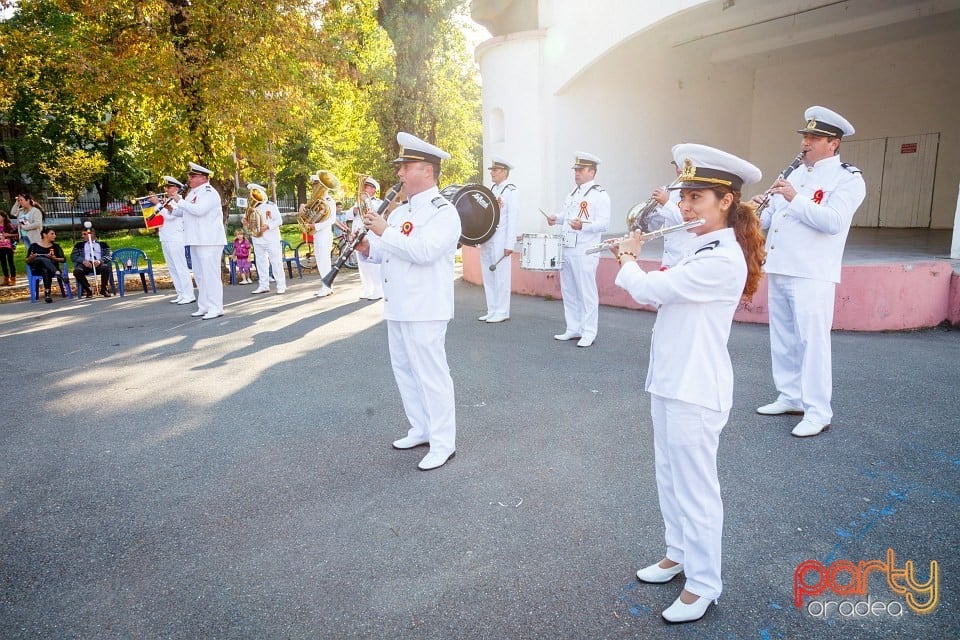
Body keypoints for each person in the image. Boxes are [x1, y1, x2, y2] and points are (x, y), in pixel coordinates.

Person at [614, 144, 764, 624]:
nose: (684, 206)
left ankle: (703, 584)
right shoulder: (699, 246)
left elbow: (652, 290)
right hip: (670, 379)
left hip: (696, 388)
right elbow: (668, 294)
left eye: (696, 197)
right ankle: (678, 553)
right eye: (683, 197)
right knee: (669, 476)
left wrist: (627, 258)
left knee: (697, 488)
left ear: (726, 201)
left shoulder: (723, 257)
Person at [754, 106, 866, 438]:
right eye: (805, 136)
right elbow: (771, 218)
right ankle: (790, 396)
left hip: (812, 272)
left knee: (812, 342)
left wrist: (794, 198)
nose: (805, 143)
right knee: (783, 338)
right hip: (780, 266)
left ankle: (818, 411)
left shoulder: (848, 178)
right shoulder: (795, 174)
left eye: (814, 137)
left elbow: (832, 222)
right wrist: (756, 210)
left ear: (833, 143)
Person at [356, 132, 461, 471]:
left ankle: (444, 443)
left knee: (431, 374)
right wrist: (366, 248)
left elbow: (425, 251)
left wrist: (385, 231)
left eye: (405, 167)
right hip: (399, 305)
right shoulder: (402, 212)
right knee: (404, 371)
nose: (399, 174)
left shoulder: (443, 212)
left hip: (426, 306)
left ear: (427, 170)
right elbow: (387, 253)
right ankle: (421, 428)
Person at [546, 152, 611, 347]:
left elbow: (604, 224)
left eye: (581, 170)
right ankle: (573, 328)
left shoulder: (600, 195)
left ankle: (589, 331)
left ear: (592, 172)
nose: (577, 173)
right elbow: (567, 215)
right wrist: (555, 218)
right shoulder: (572, 193)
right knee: (570, 290)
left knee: (586, 291)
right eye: (575, 170)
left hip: (585, 249)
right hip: (567, 247)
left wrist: (583, 226)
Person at [164, 162, 226, 319]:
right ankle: (204, 306)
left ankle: (215, 307)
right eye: (189, 176)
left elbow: (199, 211)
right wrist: (171, 208)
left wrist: (178, 199)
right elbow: (184, 212)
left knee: (210, 275)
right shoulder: (192, 193)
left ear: (203, 178)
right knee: (199, 275)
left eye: (192, 176)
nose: (189, 179)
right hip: (195, 238)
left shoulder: (208, 192)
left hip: (209, 239)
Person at [478, 156, 519, 323]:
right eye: (491, 170)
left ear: (504, 172)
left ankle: (502, 311)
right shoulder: (492, 190)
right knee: (488, 275)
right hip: (488, 238)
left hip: (502, 239)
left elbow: (513, 218)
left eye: (495, 170)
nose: (492, 173)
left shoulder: (511, 191)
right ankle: (492, 309)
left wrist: (510, 244)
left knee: (501, 277)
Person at [150, 176, 196, 305]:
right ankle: (181, 293)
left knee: (181, 268)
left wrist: (158, 204)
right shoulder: (167, 200)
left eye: (169, 187)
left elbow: (171, 217)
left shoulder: (179, 201)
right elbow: (158, 216)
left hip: (176, 238)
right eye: (166, 187)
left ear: (176, 188)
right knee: (173, 268)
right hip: (165, 237)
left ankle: (189, 294)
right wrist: (159, 204)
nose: (166, 189)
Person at [644, 159, 695, 268]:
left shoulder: (696, 193)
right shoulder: (672, 190)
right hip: (669, 258)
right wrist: (648, 216)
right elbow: (660, 224)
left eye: (681, 166)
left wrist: (666, 203)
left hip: (685, 257)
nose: (678, 170)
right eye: (676, 166)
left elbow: (688, 222)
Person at [247, 183, 286, 295]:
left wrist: (268, 226)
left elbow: (279, 221)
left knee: (276, 262)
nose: (253, 197)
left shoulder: (270, 205)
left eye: (255, 193)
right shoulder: (251, 208)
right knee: (260, 263)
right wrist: (246, 222)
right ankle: (263, 285)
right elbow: (250, 223)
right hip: (257, 239)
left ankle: (281, 285)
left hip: (271, 239)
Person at [352, 176, 383, 300]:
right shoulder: (359, 202)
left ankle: (378, 289)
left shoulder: (378, 202)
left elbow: (375, 213)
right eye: (364, 187)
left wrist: (366, 201)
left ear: (374, 190)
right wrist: (355, 209)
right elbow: (350, 214)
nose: (365, 189)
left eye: (368, 187)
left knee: (373, 264)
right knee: (362, 264)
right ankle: (367, 288)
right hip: (359, 235)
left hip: (372, 236)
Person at [308, 171, 338, 298]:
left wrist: (316, 226)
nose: (314, 188)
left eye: (316, 185)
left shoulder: (328, 200)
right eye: (314, 185)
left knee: (324, 261)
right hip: (317, 234)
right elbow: (311, 215)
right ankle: (325, 285)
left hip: (324, 234)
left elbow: (331, 220)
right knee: (320, 261)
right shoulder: (316, 200)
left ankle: (327, 286)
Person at [26, 227, 67, 303]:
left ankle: (47, 294)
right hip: (37, 268)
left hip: (49, 270)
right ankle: (58, 274)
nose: (54, 235)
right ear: (44, 235)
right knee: (41, 259)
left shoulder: (56, 247)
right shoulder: (34, 246)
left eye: (55, 234)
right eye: (52, 234)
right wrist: (31, 257)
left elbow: (63, 259)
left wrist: (54, 258)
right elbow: (27, 261)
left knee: (45, 270)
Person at [71, 225, 112, 298]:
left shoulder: (103, 244)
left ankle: (104, 289)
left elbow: (109, 255)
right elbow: (73, 256)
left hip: (98, 264)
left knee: (106, 268)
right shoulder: (79, 245)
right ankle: (88, 289)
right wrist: (83, 261)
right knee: (77, 271)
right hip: (86, 264)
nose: (82, 236)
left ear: (91, 234)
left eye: (84, 234)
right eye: (82, 234)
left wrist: (100, 261)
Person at [0, 212, 18, 285]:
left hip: (9, 246)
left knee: (11, 262)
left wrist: (8, 235)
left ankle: (13, 279)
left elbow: (17, 234)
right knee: (3, 263)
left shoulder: (9, 225)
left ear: (3, 217)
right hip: (0, 247)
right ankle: (6, 279)